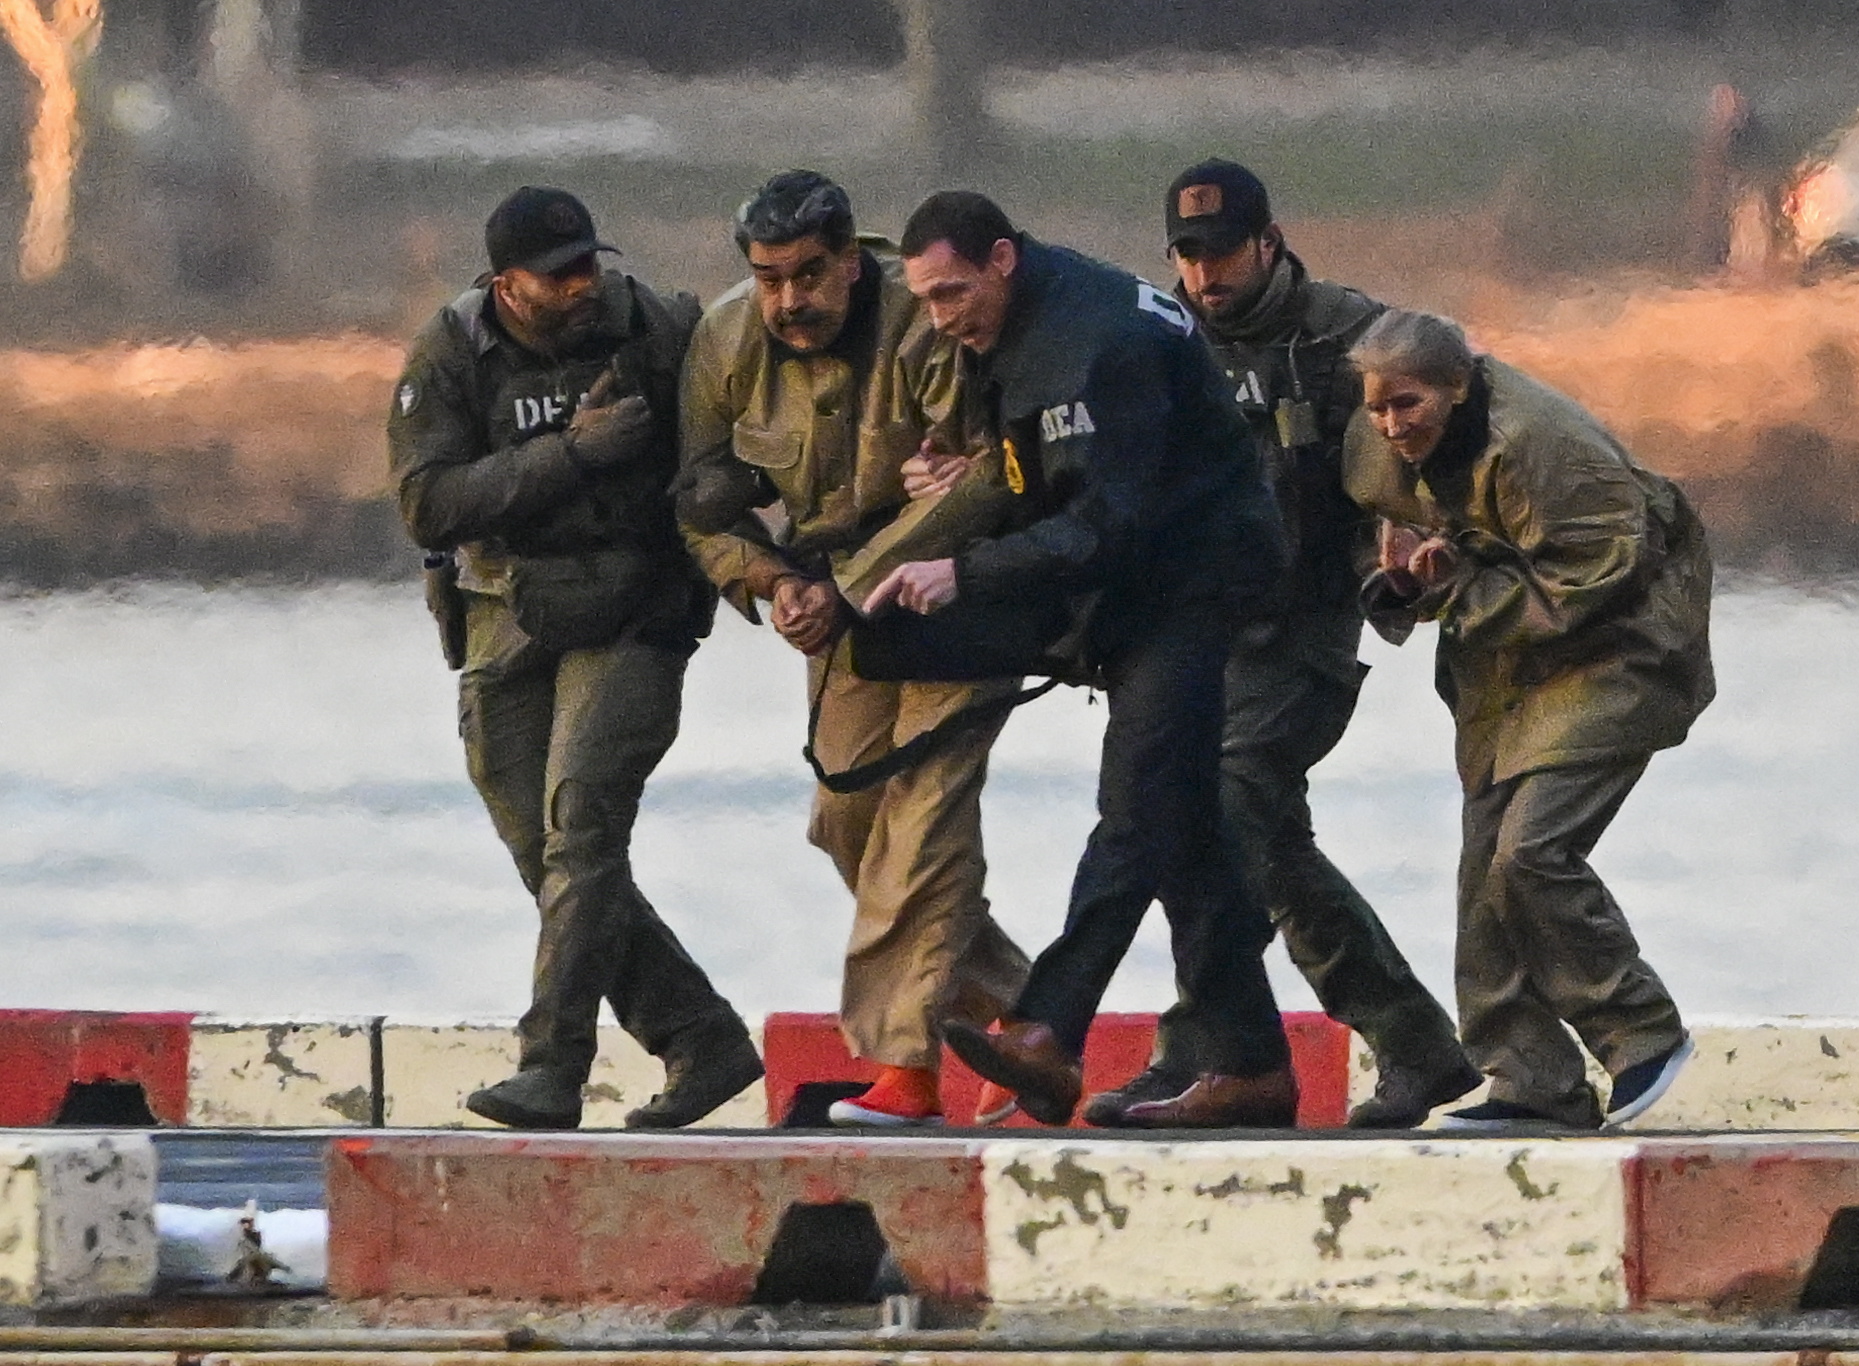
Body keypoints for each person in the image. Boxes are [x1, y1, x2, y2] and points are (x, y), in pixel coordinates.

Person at [866, 190, 1296, 1129]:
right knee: (1183, 834)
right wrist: (959, 483)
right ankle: (1254, 1065)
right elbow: (1040, 478)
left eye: (949, 294)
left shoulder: (1103, 341)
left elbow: (1111, 522)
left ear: (1002, 260)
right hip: (1133, 587)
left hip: (1194, 580)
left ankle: (1047, 1031)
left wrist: (966, 570)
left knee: (1135, 803)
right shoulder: (1006, 332)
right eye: (925, 302)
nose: (939, 320)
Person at [1081, 159, 1478, 1130]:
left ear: (1268, 243)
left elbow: (1449, 426)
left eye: (1221, 253)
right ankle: (1204, 1049)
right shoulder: (1151, 340)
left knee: (1240, 799)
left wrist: (1418, 540)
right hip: (1191, 631)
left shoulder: (1347, 336)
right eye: (1187, 254)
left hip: (1303, 625)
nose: (1205, 274)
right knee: (1175, 811)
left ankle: (1405, 1039)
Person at [388, 185, 760, 1130]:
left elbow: (729, 447)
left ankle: (551, 1067)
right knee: (540, 852)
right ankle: (699, 1037)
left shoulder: (663, 328)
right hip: (501, 610)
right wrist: (572, 452)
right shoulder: (450, 351)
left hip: (634, 610)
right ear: (502, 284)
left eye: (589, 264)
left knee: (582, 831)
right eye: (556, 277)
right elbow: (429, 505)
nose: (582, 285)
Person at [673, 170, 1030, 1127]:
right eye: (767, 278)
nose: (789, 300)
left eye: (807, 275)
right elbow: (700, 501)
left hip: (956, 598)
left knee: (926, 821)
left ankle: (904, 1074)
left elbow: (986, 479)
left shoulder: (925, 323)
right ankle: (1029, 1016)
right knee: (848, 820)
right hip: (831, 613)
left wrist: (849, 582)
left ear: (850, 258)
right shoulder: (725, 339)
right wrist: (771, 580)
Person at [1343, 308, 1713, 1133]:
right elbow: (1384, 535)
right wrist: (1403, 579)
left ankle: (1640, 1033)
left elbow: (1599, 575)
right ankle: (1530, 1078)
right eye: (1376, 407)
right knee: (1483, 869)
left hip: (1621, 645)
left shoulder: (1546, 445)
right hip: (1502, 662)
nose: (1391, 426)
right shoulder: (1373, 444)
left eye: (1408, 405)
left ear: (1458, 386)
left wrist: (1459, 583)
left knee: (1533, 851)